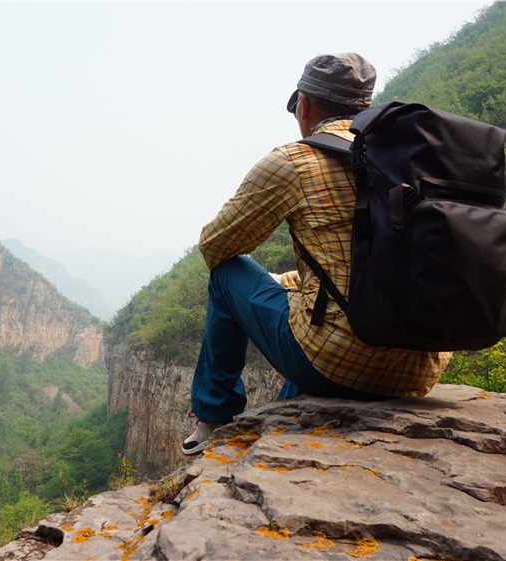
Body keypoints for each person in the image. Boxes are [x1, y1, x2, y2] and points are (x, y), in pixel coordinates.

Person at [182, 53, 452, 456]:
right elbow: (368, 262)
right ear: (366, 107)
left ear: (304, 104)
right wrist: (290, 281)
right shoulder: (409, 160)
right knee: (317, 321)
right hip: (422, 366)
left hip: (339, 363)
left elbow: (217, 246)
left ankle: (215, 416)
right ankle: (288, 413)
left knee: (227, 273)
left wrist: (274, 283)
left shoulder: (295, 160)